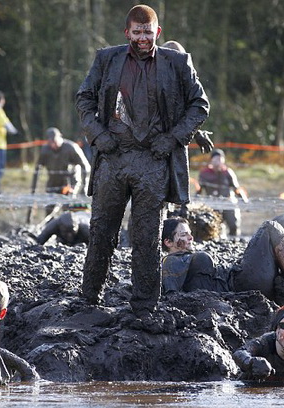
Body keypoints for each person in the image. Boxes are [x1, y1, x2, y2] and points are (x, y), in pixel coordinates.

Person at [75, 4, 211, 317]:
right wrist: (98, 135)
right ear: (127, 33)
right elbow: (84, 98)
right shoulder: (107, 58)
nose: (142, 38)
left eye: (148, 32)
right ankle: (89, 298)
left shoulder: (177, 62)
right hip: (113, 157)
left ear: (157, 33)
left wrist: (174, 137)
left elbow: (199, 105)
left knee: (148, 238)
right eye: (137, 32)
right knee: (100, 232)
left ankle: (145, 306)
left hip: (154, 160)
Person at [161, 217, 284, 308]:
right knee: (271, 227)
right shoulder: (171, 261)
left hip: (242, 277)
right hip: (240, 283)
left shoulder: (188, 257)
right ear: (168, 242)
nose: (191, 237)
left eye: (189, 232)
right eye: (183, 234)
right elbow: (172, 294)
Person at [31, 127, 90, 213]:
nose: (53, 144)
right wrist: (33, 191)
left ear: (60, 137)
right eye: (50, 142)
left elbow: (86, 166)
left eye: (55, 141)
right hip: (53, 183)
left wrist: (84, 187)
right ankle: (50, 224)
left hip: (70, 183)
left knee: (68, 208)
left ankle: (72, 222)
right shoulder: (45, 150)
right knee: (49, 209)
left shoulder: (71, 148)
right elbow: (37, 170)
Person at [198, 149, 247, 237]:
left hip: (228, 202)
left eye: (220, 159)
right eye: (216, 159)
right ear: (211, 160)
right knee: (214, 227)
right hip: (212, 204)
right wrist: (196, 200)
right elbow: (199, 190)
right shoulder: (204, 174)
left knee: (233, 225)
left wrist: (244, 199)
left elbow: (236, 188)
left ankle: (234, 241)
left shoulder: (228, 172)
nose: (218, 161)